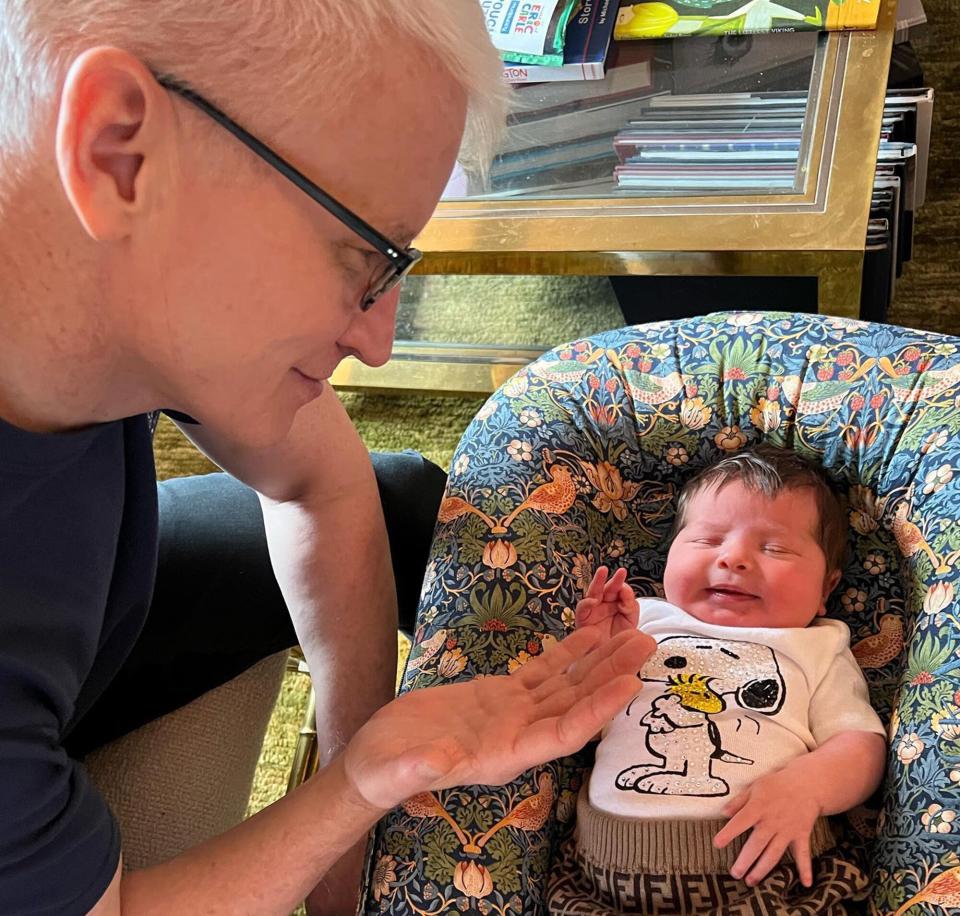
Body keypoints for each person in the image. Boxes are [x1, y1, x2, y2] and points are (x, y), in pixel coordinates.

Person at [0, 1, 658, 913]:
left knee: (398, 492)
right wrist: (354, 796)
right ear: (119, 151)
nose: (381, 341)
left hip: (80, 619)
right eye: (364, 256)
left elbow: (324, 481)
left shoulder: (76, 253)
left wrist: (356, 783)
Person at [547, 446, 888, 915]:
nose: (734, 558)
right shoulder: (642, 621)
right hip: (601, 877)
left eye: (774, 548)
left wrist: (807, 786)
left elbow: (862, 744)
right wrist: (593, 651)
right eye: (707, 541)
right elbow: (565, 720)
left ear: (826, 588)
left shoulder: (815, 646)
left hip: (767, 880)